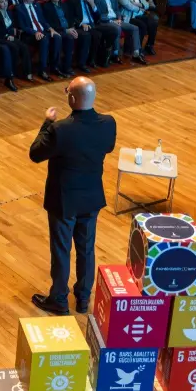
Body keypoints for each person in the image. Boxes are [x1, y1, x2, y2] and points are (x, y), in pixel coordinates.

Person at [28, 76, 117, 315]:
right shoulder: (108, 123)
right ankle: (83, 298)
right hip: (91, 198)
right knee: (86, 249)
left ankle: (59, 299)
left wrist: (46, 123)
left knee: (61, 250)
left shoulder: (60, 129)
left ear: (72, 98)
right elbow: (108, 147)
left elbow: (35, 154)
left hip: (63, 200)